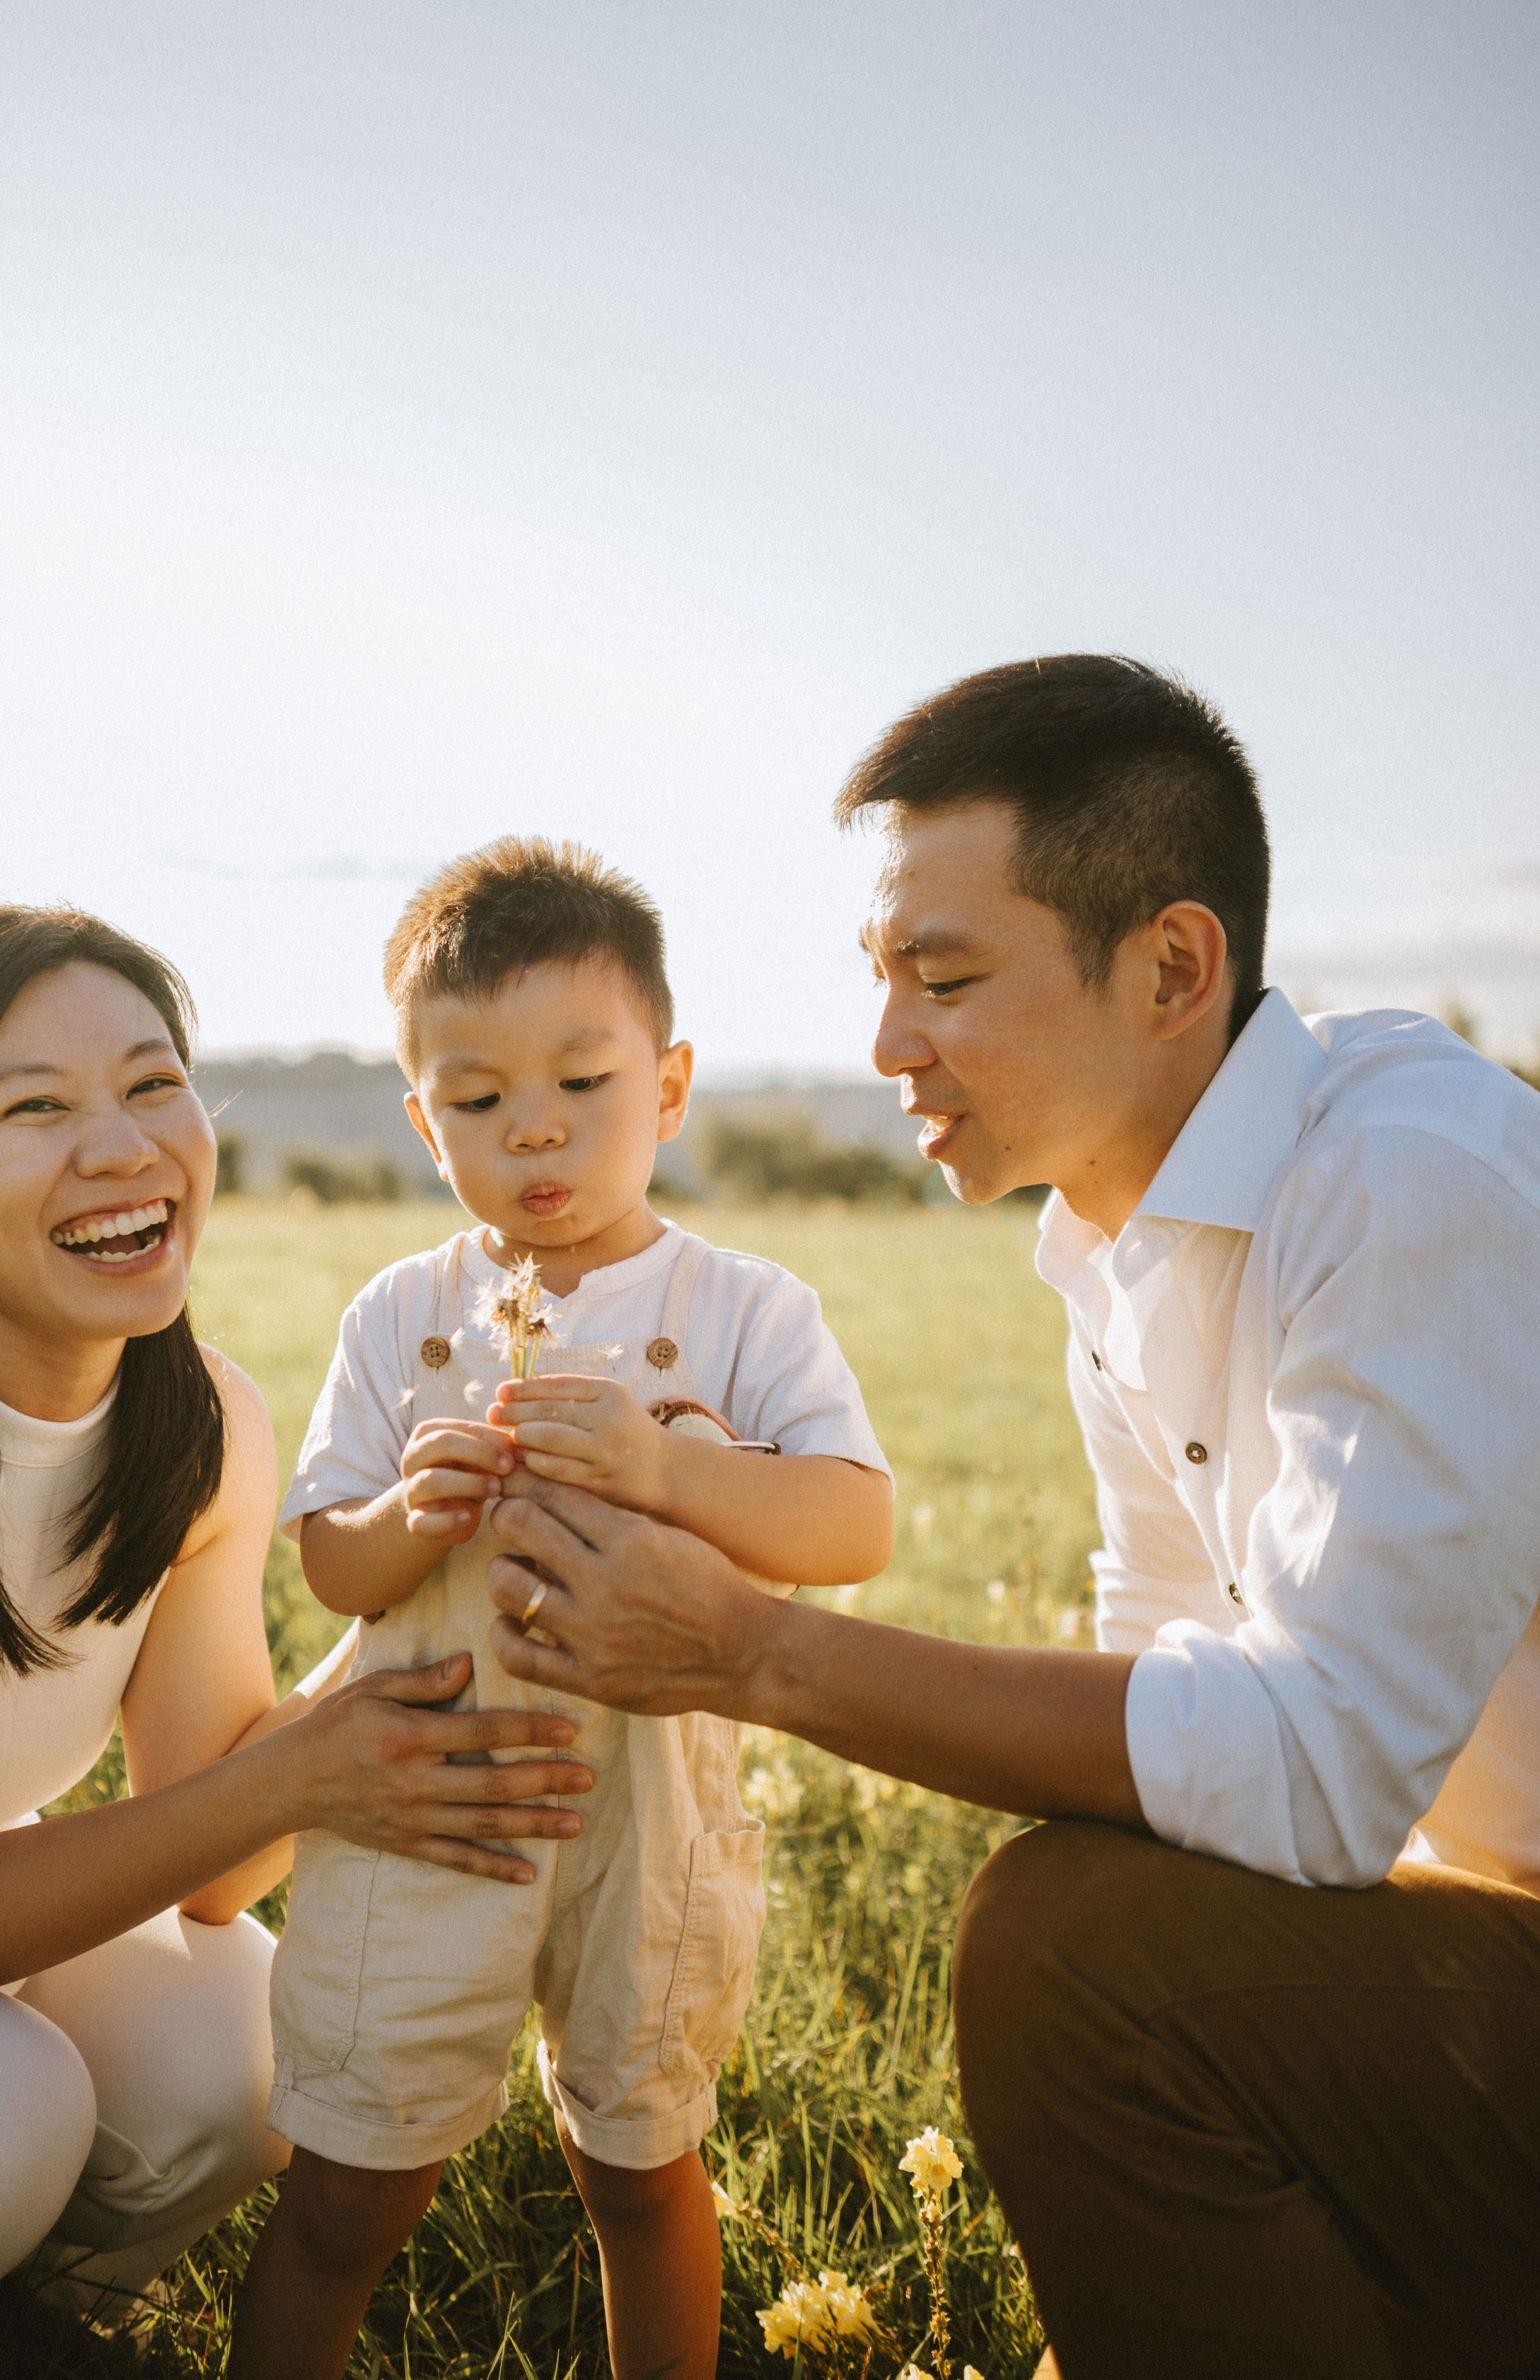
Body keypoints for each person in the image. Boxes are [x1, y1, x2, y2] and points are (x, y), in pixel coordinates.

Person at [468, 659, 1540, 2380]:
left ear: (1171, 968)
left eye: (945, 979)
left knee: (1075, 1949)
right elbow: (1176, 1711)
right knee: (1105, 1901)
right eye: (884, 979)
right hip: (1479, 1935)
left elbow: (1311, 1766)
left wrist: (747, 1648)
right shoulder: (1111, 1246)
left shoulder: (1408, 1178)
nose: (887, 1043)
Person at [0, 904, 591, 2380]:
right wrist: (306, 1775)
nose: (124, 1147)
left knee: (240, 2045)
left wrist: (424, 1617)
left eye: (149, 1084)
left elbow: (214, 1861)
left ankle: (5, 2320)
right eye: (36, 1108)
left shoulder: (197, 1424)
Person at [233, 838, 894, 2380]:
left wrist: (670, 1469)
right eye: (474, 1100)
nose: (530, 1128)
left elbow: (848, 1521)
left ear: (665, 1089)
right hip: (429, 1797)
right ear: (421, 1121)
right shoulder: (401, 1316)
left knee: (637, 2163)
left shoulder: (742, 1311)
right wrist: (416, 1511)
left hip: (649, 1811)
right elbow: (331, 1567)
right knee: (350, 2187)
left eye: (579, 1084)